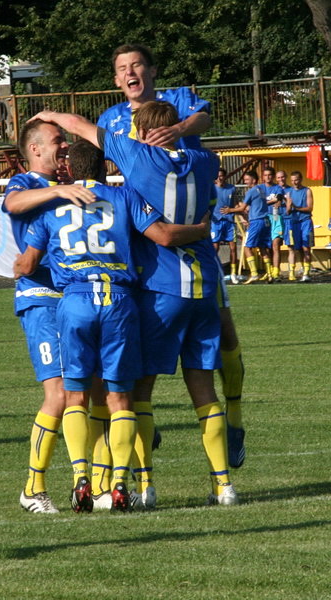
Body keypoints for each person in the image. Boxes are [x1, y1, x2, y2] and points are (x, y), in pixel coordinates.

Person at [33, 102, 238, 508]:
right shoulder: (205, 159)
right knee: (203, 388)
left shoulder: (135, 156)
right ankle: (223, 484)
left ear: (142, 133)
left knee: (134, 392)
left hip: (158, 290)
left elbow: (80, 126)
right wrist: (201, 228)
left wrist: (49, 117)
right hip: (204, 286)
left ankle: (142, 485)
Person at [97, 44, 246, 472]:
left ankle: (233, 417)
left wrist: (178, 129)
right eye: (122, 67)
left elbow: (205, 118)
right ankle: (141, 424)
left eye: (136, 65)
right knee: (138, 342)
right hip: (144, 236)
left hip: (192, 241)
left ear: (151, 70)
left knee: (226, 334)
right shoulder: (112, 119)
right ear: (116, 79)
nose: (130, 72)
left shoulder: (178, 99)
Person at [2, 119, 96, 514]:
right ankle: (32, 489)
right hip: (40, 298)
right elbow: (11, 205)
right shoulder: (24, 183)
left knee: (82, 393)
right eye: (58, 141)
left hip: (75, 299)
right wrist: (59, 189)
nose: (65, 147)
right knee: (57, 394)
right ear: (36, 149)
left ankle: (99, 480)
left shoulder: (71, 184)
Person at [225, 170, 272, 286]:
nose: (245, 181)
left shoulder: (251, 191)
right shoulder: (261, 190)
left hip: (256, 221)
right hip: (266, 221)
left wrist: (229, 210)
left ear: (254, 180)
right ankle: (270, 274)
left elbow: (242, 208)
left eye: (247, 179)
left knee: (247, 247)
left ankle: (254, 273)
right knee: (263, 248)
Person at [285, 171, 314, 282]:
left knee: (306, 247)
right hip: (293, 223)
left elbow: (310, 208)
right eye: (292, 180)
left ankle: (306, 273)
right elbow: (287, 211)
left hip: (305, 222)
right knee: (293, 248)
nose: (294, 182)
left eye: (296, 180)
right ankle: (292, 273)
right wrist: (288, 206)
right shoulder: (289, 192)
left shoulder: (307, 191)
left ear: (301, 179)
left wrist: (296, 207)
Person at [213, 168, 239, 285]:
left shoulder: (231, 189)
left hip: (229, 221)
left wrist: (242, 217)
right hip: (216, 221)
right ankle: (215, 272)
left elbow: (236, 204)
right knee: (215, 248)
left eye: (222, 176)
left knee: (233, 248)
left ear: (225, 176)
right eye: (218, 176)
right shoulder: (211, 188)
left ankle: (233, 274)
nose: (220, 178)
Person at [261, 167, 286, 281]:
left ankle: (276, 271)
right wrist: (272, 201)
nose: (268, 177)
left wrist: (266, 202)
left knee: (276, 245)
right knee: (267, 246)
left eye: (270, 175)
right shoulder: (259, 189)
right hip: (264, 218)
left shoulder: (277, 188)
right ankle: (269, 271)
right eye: (266, 175)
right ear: (263, 176)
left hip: (276, 217)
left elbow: (279, 197)